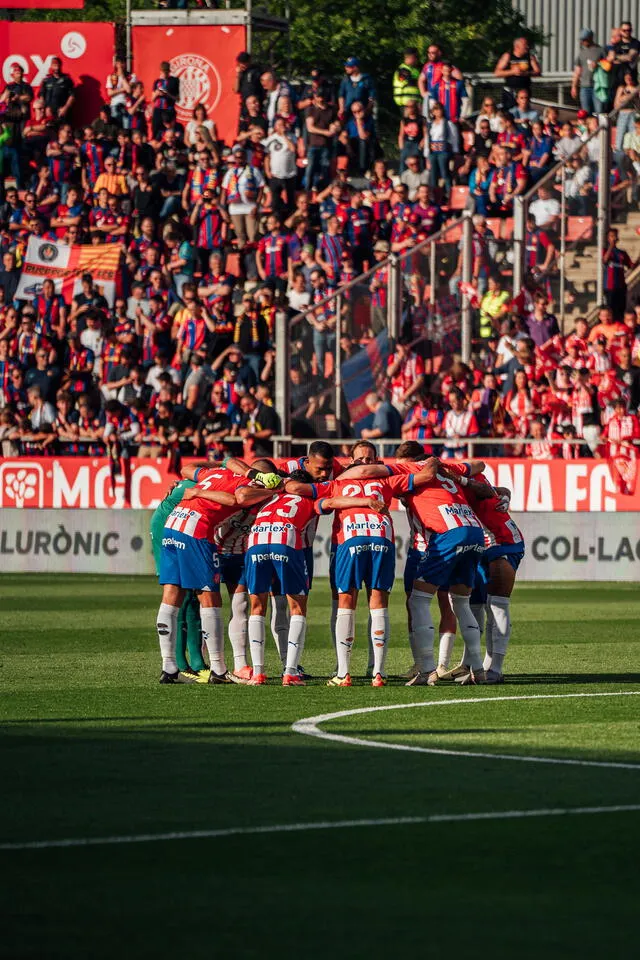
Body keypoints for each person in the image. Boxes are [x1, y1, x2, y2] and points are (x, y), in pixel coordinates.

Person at [156, 466, 275, 683]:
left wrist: (197, 490)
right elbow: (238, 498)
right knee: (210, 596)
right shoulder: (246, 485)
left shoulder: (214, 473)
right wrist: (271, 491)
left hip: (173, 523)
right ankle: (219, 670)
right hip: (195, 529)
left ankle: (169, 667)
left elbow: (187, 469)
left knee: (171, 595)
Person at [493, 36, 542, 109]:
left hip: (524, 91)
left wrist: (526, 73)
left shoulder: (530, 57)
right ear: (517, 46)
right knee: (509, 112)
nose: (527, 47)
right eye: (525, 45)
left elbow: (538, 72)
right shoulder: (508, 56)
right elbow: (497, 73)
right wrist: (512, 72)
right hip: (510, 91)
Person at [572, 29, 606, 114]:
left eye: (584, 39)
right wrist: (574, 86)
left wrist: (598, 64)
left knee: (599, 111)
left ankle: (600, 127)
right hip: (584, 87)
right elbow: (577, 71)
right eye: (581, 40)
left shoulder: (600, 50)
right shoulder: (581, 53)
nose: (582, 42)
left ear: (591, 38)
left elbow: (608, 65)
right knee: (585, 112)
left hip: (598, 87)